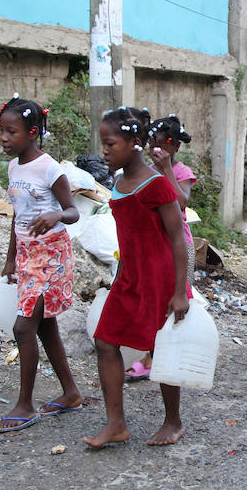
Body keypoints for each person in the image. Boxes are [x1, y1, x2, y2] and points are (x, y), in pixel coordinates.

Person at [83, 106, 191, 447]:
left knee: (160, 348)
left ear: (134, 143)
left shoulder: (156, 184)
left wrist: (179, 292)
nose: (104, 151)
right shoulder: (117, 182)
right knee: (105, 340)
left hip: (158, 278)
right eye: (103, 143)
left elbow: (177, 239)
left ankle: (173, 421)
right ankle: (116, 423)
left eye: (110, 143)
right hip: (128, 276)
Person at [0, 94, 82, 432]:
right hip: (28, 255)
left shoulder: (50, 169)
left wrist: (56, 213)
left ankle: (25, 404)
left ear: (32, 132)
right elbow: (17, 215)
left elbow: (72, 211)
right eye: (2, 131)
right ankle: (71, 393)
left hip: (51, 255)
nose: (4, 138)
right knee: (44, 325)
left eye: (11, 132)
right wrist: (10, 259)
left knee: (23, 327)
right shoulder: (13, 166)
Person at [124, 113, 197, 381]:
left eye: (164, 144)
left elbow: (180, 203)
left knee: (177, 301)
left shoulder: (181, 172)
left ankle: (158, 356)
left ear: (175, 147)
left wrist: (166, 170)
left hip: (179, 247)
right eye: (153, 143)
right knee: (155, 303)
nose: (158, 149)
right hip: (153, 247)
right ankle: (157, 354)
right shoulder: (145, 172)